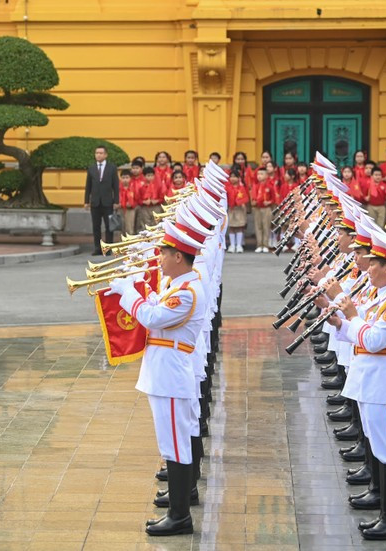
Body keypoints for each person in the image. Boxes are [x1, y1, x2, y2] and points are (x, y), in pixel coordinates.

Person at [105, 221, 207, 536]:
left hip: (171, 375)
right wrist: (139, 287)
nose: (159, 258)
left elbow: (152, 317)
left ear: (178, 256)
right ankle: (178, 510)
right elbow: (155, 307)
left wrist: (128, 293)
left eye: (163, 253)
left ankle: (180, 516)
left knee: (175, 446)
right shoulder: (178, 286)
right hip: (166, 373)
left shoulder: (187, 293)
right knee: (174, 443)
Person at [327, 228, 386, 540]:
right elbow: (361, 329)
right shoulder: (384, 296)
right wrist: (340, 322)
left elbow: (375, 339)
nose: (368, 268)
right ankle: (384, 510)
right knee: (378, 446)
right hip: (371, 379)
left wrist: (351, 317)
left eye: (374, 263)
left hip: (383, 382)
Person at [83, 145, 119, 256]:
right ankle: (97, 248)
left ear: (105, 155)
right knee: (96, 227)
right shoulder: (91, 168)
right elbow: (88, 186)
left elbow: (116, 186)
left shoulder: (112, 168)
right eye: (97, 153)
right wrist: (86, 201)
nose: (98, 155)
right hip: (95, 202)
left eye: (101, 153)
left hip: (108, 202)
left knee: (109, 227)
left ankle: (108, 248)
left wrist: (116, 201)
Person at [251, 166, 275, 253]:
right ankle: (259, 245)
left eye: (261, 174)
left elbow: (274, 198)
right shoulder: (255, 186)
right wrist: (253, 202)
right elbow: (253, 197)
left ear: (266, 175)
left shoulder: (270, 186)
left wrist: (269, 202)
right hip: (257, 208)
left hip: (266, 209)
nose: (259, 176)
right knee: (258, 226)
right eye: (258, 174)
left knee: (266, 226)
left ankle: (265, 245)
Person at [226, 169, 249, 253]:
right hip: (231, 209)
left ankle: (239, 245)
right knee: (231, 227)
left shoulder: (241, 188)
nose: (232, 178)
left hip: (239, 209)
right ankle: (232, 245)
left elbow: (245, 197)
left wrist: (242, 204)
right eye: (231, 176)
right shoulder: (227, 188)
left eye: (234, 176)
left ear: (238, 178)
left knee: (239, 226)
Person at [117, 169, 137, 236]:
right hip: (120, 209)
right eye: (123, 178)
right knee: (122, 228)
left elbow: (137, 198)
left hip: (130, 210)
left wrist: (132, 204)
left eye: (127, 178)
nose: (125, 180)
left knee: (130, 228)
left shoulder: (133, 187)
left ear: (130, 178)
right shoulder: (118, 187)